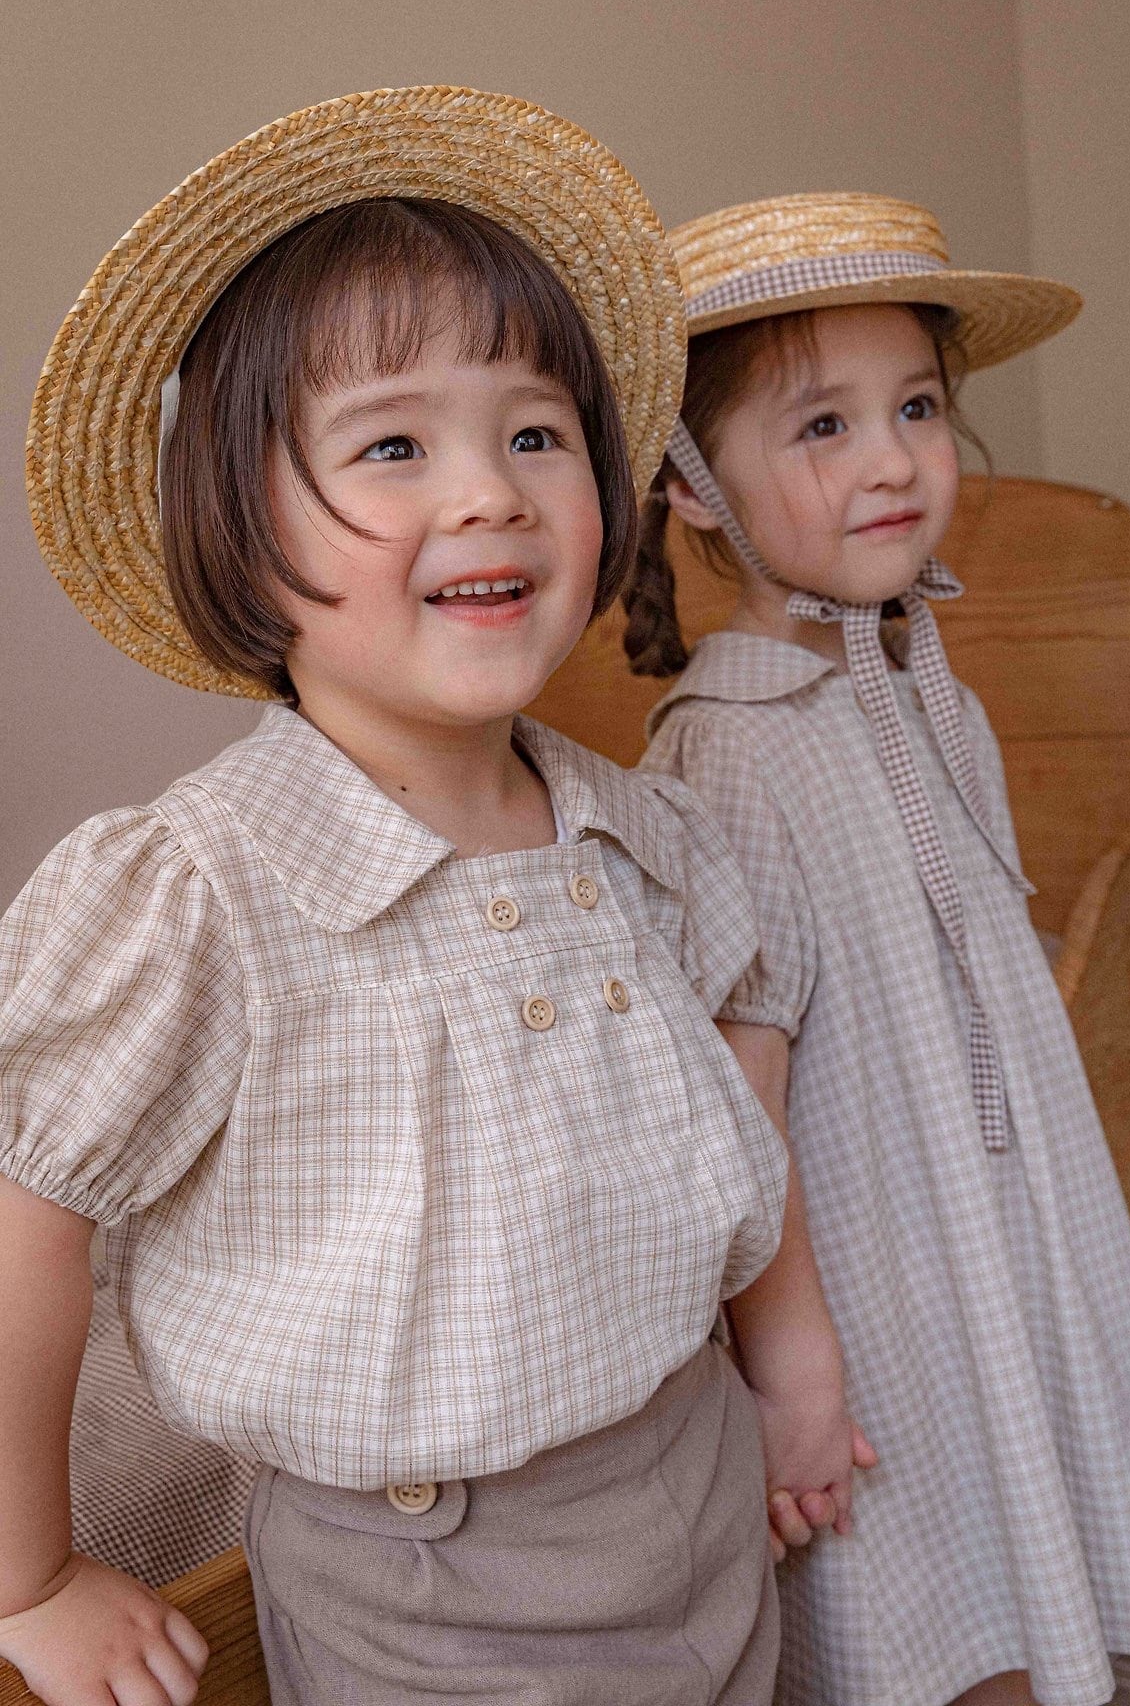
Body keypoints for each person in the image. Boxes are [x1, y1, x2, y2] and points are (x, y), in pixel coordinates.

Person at [0, 92, 842, 1706]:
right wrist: (29, 1576)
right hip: (426, 1585)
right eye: (394, 446)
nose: (491, 493)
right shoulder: (201, 887)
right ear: (240, 531)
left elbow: (742, 1126)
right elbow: (28, 1210)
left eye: (535, 435)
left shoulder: (646, 837)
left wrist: (794, 1376)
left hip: (698, 1473)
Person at [627, 191, 1130, 1706]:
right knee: (941, 1620)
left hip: (994, 1238)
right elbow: (746, 1103)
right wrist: (794, 1370)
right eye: (822, 426)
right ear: (695, 486)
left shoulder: (932, 699)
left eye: (915, 407)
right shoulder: (727, 751)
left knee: (1036, 1591)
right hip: (878, 1283)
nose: (896, 458)